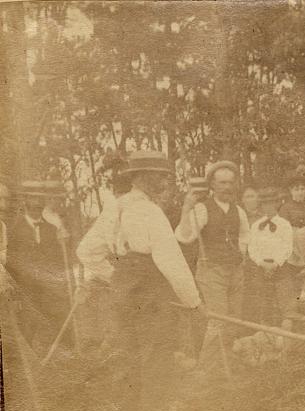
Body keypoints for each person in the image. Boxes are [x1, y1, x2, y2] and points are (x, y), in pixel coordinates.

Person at [76, 151, 202, 392]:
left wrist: (118, 278)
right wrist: (193, 303)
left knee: (126, 360)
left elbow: (86, 252)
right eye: (160, 177)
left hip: (122, 294)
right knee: (156, 362)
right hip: (151, 298)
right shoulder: (150, 212)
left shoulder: (116, 207)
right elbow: (172, 263)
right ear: (142, 178)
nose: (165, 183)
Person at [175, 160, 249, 363]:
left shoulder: (239, 211)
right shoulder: (202, 209)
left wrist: (240, 256)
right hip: (212, 270)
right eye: (222, 183)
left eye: (230, 183)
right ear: (213, 185)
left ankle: (225, 362)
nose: (227, 187)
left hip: (235, 270)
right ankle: (206, 367)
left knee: (234, 319)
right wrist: (186, 208)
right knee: (219, 319)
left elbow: (244, 237)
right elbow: (184, 236)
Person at [7, 181, 71, 350]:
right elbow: (12, 264)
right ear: (25, 201)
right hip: (26, 292)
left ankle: (64, 360)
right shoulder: (14, 231)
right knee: (27, 330)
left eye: (39, 200)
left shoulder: (52, 229)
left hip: (49, 290)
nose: (36, 205)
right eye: (32, 199)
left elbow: (59, 261)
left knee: (61, 323)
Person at [245, 186, 294, 326]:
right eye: (265, 203)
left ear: (277, 204)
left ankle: (283, 335)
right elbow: (252, 248)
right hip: (261, 268)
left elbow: (287, 247)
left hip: (280, 268)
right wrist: (262, 263)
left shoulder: (284, 225)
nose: (268, 206)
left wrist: (275, 263)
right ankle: (264, 334)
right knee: (263, 303)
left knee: (283, 303)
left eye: (271, 203)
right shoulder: (256, 226)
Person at [280, 174, 305, 296]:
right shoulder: (285, 208)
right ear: (291, 191)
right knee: (295, 279)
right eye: (296, 189)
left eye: (302, 189)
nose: (300, 192)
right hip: (293, 251)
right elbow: (283, 230)